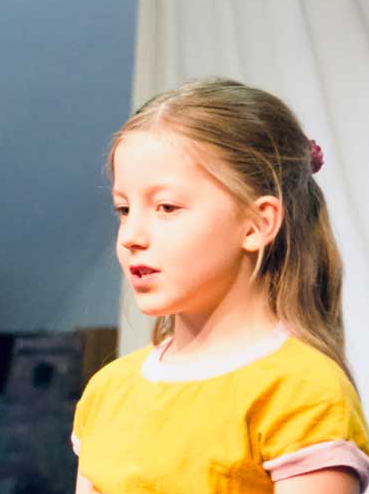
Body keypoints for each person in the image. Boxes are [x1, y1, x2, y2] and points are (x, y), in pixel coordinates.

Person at [73, 78, 369, 493]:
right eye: (124, 209)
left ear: (257, 223)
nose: (131, 236)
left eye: (167, 207)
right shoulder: (108, 391)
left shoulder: (300, 392)